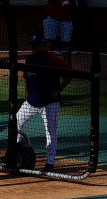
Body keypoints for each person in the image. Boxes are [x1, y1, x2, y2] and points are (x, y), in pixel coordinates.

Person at [17, 34, 71, 172]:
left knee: (50, 132)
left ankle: (49, 163)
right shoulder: (29, 59)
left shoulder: (52, 59)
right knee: (15, 123)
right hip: (31, 102)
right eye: (33, 46)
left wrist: (59, 89)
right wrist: (26, 97)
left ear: (44, 46)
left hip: (49, 103)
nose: (34, 48)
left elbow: (69, 73)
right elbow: (28, 80)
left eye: (36, 45)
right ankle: (16, 153)